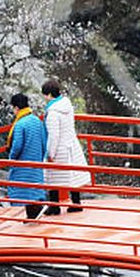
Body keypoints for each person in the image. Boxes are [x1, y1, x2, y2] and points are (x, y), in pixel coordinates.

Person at [41, 79, 87, 214]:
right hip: (71, 144)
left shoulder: (53, 112)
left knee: (53, 177)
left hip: (60, 149)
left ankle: (54, 206)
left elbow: (53, 135)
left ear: (49, 95)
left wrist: (50, 153)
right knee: (73, 175)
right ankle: (76, 203)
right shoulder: (67, 105)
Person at [5, 92, 47, 217]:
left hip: (22, 164)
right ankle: (35, 212)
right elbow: (44, 141)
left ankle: (29, 215)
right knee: (35, 189)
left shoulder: (20, 124)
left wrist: (11, 158)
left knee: (21, 189)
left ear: (16, 108)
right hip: (36, 161)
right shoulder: (36, 120)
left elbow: (17, 145)